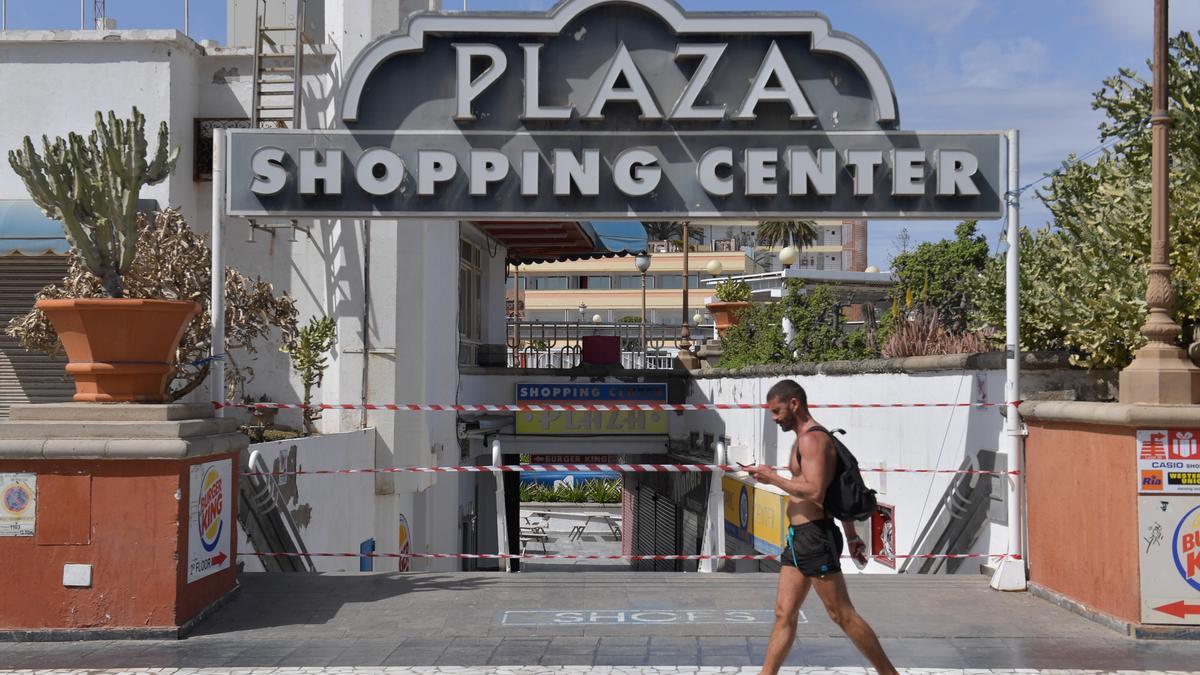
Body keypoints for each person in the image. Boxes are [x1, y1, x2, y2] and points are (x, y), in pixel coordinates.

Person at [745, 379, 897, 675]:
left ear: (794, 404)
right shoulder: (803, 437)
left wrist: (770, 477)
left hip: (815, 537)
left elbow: (816, 492)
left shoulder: (813, 440)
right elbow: (832, 490)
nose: (774, 419)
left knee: (841, 614)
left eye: (777, 411)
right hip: (799, 538)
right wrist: (852, 537)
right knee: (783, 613)